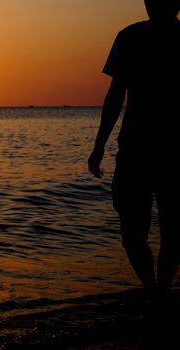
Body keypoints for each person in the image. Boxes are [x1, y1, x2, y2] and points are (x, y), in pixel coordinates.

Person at [88, 0, 180, 307]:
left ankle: (160, 294)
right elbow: (116, 93)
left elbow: (115, 93)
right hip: (135, 148)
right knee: (132, 230)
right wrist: (100, 144)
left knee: (174, 232)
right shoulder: (130, 36)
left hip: (174, 152)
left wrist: (100, 145)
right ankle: (156, 292)